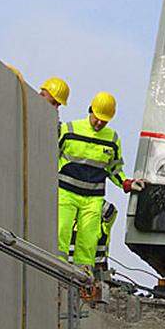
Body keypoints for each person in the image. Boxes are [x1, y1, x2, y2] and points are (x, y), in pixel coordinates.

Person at [57, 91, 144, 275]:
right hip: (66, 191)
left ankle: (84, 272)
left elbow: (114, 169)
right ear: (91, 111)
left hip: (93, 198)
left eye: (103, 121)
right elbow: (51, 153)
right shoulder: (69, 129)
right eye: (97, 118)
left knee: (89, 237)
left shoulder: (112, 139)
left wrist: (127, 184)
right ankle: (57, 266)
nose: (99, 123)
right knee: (62, 229)